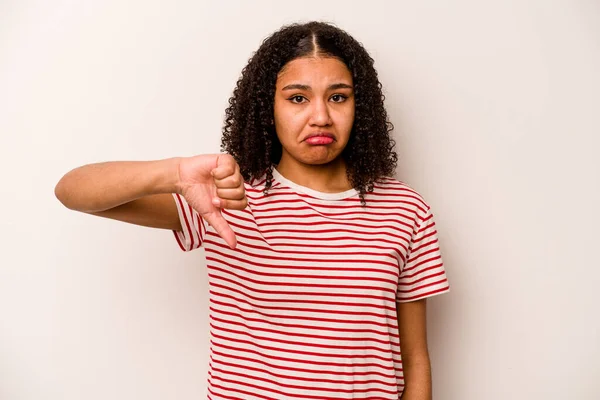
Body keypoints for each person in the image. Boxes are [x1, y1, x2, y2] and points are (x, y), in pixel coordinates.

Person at [55, 21, 450, 400]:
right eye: (298, 97)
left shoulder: (404, 209)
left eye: (338, 96)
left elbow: (415, 360)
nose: (320, 116)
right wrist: (174, 173)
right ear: (268, 107)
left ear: (359, 106)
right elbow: (73, 191)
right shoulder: (226, 195)